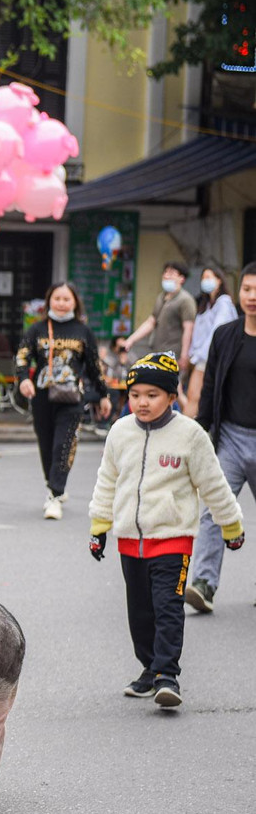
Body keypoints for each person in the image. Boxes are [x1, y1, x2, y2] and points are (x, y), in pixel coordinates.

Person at [88, 351, 243, 709]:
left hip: (173, 541)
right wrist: (99, 528)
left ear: (172, 397)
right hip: (130, 542)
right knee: (140, 613)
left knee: (168, 607)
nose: (142, 402)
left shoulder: (190, 435)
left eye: (152, 395)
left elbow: (214, 484)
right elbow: (107, 482)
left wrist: (230, 525)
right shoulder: (120, 432)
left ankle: (167, 675)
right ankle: (149, 669)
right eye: (136, 394)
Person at [187, 262, 256, 613]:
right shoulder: (226, 335)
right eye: (247, 289)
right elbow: (211, 384)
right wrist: (201, 428)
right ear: (238, 292)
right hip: (230, 436)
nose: (252, 297)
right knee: (215, 509)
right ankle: (204, 583)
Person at [16, 282, 111, 520]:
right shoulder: (36, 329)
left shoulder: (83, 331)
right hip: (42, 397)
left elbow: (93, 366)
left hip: (71, 399)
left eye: (66, 299)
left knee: (64, 444)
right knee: (46, 445)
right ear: (49, 300)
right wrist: (23, 380)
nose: (61, 303)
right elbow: (22, 357)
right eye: (57, 298)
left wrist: (103, 394)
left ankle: (55, 495)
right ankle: (54, 483)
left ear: (75, 303)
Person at [123, 262, 196, 376]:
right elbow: (151, 322)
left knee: (173, 389)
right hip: (158, 352)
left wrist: (184, 355)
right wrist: (131, 340)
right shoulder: (161, 297)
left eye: (171, 273)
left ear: (181, 278)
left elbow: (188, 328)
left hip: (173, 355)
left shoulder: (185, 300)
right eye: (165, 272)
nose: (166, 276)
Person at [184, 266, 238, 417]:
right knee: (198, 397)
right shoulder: (206, 305)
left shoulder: (223, 303)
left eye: (209, 277)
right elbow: (198, 334)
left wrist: (199, 356)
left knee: (193, 396)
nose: (205, 281)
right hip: (200, 357)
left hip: (209, 357)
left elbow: (217, 331)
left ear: (219, 280)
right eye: (203, 278)